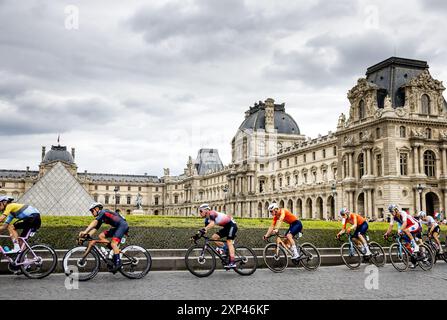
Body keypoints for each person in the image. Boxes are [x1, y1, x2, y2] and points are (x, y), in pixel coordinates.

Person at [79, 202, 129, 273]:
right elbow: (95, 229)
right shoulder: (101, 218)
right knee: (101, 236)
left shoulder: (103, 212)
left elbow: (94, 222)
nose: (91, 213)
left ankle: (118, 263)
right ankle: (113, 250)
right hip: (117, 227)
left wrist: (85, 231)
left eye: (92, 211)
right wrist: (86, 236)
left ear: (96, 209)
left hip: (122, 225)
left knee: (113, 243)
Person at [196, 203, 237, 269]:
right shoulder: (207, 219)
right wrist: (197, 236)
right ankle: (226, 249)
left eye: (201, 211)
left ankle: (232, 262)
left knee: (229, 241)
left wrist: (204, 229)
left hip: (232, 225)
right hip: (226, 227)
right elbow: (205, 230)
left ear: (206, 210)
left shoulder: (212, 213)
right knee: (214, 238)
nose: (200, 213)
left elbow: (212, 224)